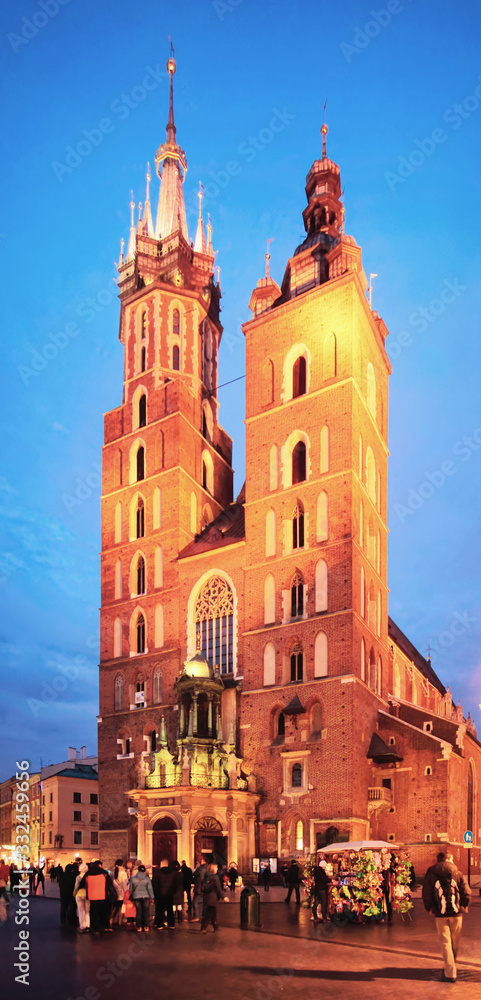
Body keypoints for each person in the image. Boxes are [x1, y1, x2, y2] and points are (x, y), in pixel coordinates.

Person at [422, 849, 471, 983]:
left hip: (440, 913)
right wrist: (465, 905)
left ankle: (450, 971)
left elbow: (426, 893)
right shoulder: (458, 872)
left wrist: (429, 907)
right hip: (457, 913)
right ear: (449, 859)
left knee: (445, 942)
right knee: (455, 942)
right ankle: (451, 968)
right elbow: (466, 891)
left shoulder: (431, 872)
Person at [78, 860, 114, 935]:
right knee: (103, 911)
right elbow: (109, 883)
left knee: (94, 912)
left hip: (92, 895)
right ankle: (104, 925)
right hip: (103, 894)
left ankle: (96, 928)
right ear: (100, 865)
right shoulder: (104, 873)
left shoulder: (88, 873)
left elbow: (82, 884)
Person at [200, 862, 229, 933]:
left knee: (213, 913)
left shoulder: (205, 877)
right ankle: (203, 928)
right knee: (209, 914)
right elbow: (218, 888)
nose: (217, 869)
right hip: (213, 897)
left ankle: (216, 927)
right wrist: (224, 897)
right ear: (213, 869)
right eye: (216, 867)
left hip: (206, 897)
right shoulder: (215, 877)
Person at [129, 864, 154, 933]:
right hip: (146, 897)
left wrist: (131, 893)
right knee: (146, 911)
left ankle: (139, 927)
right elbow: (150, 889)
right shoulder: (147, 879)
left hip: (136, 897)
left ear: (138, 870)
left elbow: (130, 889)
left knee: (138, 911)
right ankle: (146, 926)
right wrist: (152, 897)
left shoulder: (133, 879)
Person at [152, 858, 175, 929]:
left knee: (159, 910)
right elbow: (175, 884)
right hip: (169, 894)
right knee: (169, 909)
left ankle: (160, 924)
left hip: (160, 894)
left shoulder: (157, 873)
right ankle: (171, 924)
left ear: (161, 864)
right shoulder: (172, 873)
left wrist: (155, 893)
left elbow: (154, 884)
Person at [192, 854, 213, 922]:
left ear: (203, 861)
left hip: (199, 887)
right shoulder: (209, 867)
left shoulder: (200, 868)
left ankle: (196, 916)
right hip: (206, 887)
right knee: (205, 902)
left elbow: (194, 874)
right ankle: (205, 915)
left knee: (195, 901)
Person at [58, 862, 79, 927]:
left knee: (63, 908)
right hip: (71, 894)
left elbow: (60, 884)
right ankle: (71, 921)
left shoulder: (62, 875)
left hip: (63, 893)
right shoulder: (73, 876)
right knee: (72, 908)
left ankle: (63, 922)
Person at [312, 855, 331, 923]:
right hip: (322, 889)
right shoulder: (321, 871)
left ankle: (315, 917)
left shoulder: (315, 871)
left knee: (316, 903)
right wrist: (330, 880)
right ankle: (324, 918)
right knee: (323, 903)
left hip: (317, 889)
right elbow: (324, 879)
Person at [110, 859, 128, 927]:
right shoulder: (123, 873)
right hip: (121, 892)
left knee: (115, 907)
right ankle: (120, 921)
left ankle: (111, 920)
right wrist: (126, 892)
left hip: (115, 892)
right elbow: (124, 883)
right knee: (121, 907)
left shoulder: (112, 872)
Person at [73, 863, 90, 933]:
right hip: (87, 895)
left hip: (79, 894)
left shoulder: (78, 877)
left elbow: (76, 886)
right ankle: (88, 925)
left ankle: (82, 926)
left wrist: (74, 893)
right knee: (87, 911)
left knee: (80, 911)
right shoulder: (89, 877)